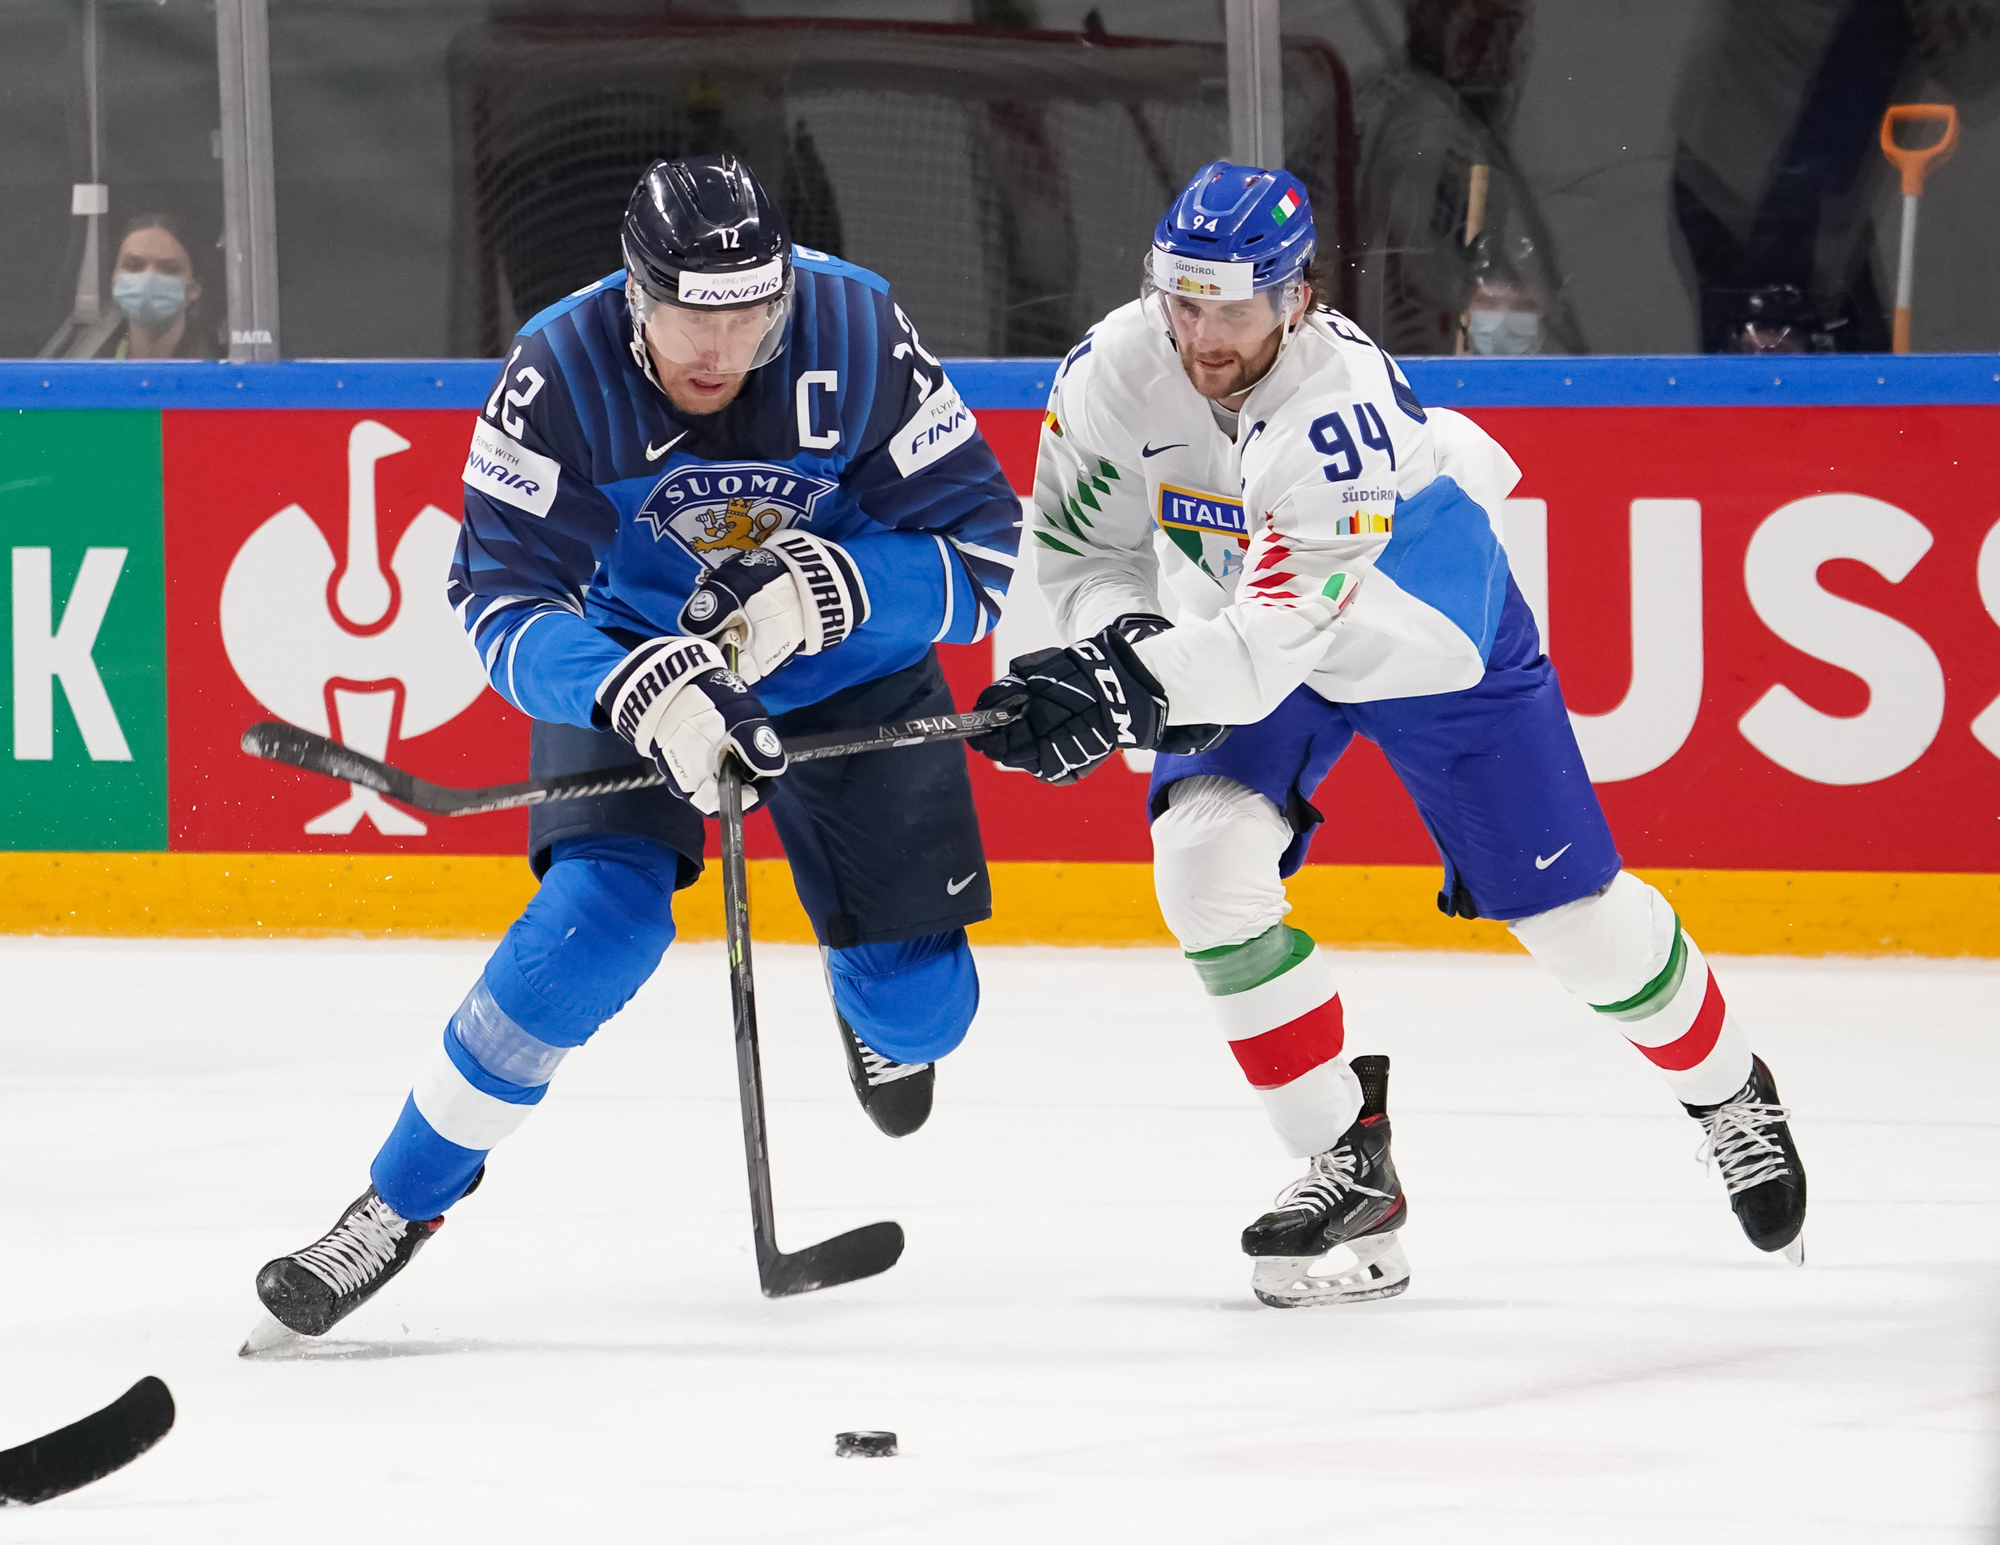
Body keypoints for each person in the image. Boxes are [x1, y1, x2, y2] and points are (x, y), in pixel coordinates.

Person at [972, 163, 1807, 1308]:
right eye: (1182, 300)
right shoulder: (1114, 368)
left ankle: (1726, 1091)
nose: (1201, 335)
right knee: (1202, 859)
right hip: (1235, 633)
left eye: (1231, 306)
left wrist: (1118, 684)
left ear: (1295, 297)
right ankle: (1344, 1163)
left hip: (1419, 639)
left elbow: (1271, 650)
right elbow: (1085, 558)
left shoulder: (1337, 415)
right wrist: (1105, 650)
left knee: (1572, 921)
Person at [244, 154, 1020, 1348]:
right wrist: (637, 684)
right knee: (588, 933)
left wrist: (835, 586)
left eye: (748, 317)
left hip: (847, 666)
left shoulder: (858, 330)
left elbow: (990, 560)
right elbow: (501, 602)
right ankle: (393, 1206)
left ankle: (871, 1001)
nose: (716, 350)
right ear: (631, 291)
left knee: (923, 1017)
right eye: (685, 316)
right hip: (641, 670)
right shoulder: (556, 370)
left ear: (782, 296)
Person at [98, 215, 215, 360]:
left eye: (168, 269)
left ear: (194, 289)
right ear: (114, 280)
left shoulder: (224, 369)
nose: (149, 278)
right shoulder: (88, 367)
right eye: (133, 266)